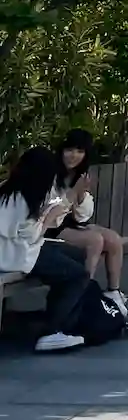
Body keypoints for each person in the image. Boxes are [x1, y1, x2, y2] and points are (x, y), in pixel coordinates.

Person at [0, 147, 91, 352]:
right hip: (15, 256)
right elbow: (30, 235)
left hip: (19, 250)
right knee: (78, 275)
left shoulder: (12, 190)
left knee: (76, 255)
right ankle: (52, 330)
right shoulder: (19, 199)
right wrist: (49, 217)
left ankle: (61, 320)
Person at [52, 130, 128, 316]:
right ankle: (83, 294)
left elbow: (83, 217)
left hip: (70, 223)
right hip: (49, 227)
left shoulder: (80, 175)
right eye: (69, 150)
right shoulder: (51, 174)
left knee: (113, 239)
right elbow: (51, 214)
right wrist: (73, 195)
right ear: (62, 150)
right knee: (94, 240)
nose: (73, 155)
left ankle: (114, 292)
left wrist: (80, 195)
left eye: (80, 151)